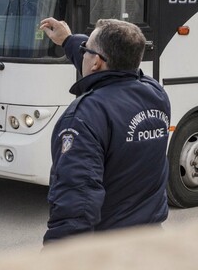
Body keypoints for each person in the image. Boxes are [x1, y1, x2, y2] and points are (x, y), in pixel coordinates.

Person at [39, 17, 170, 244]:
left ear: (97, 62)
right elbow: (113, 66)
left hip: (111, 249)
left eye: (85, 49)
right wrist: (69, 40)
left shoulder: (85, 116)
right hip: (153, 241)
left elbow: (76, 201)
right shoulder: (156, 93)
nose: (83, 53)